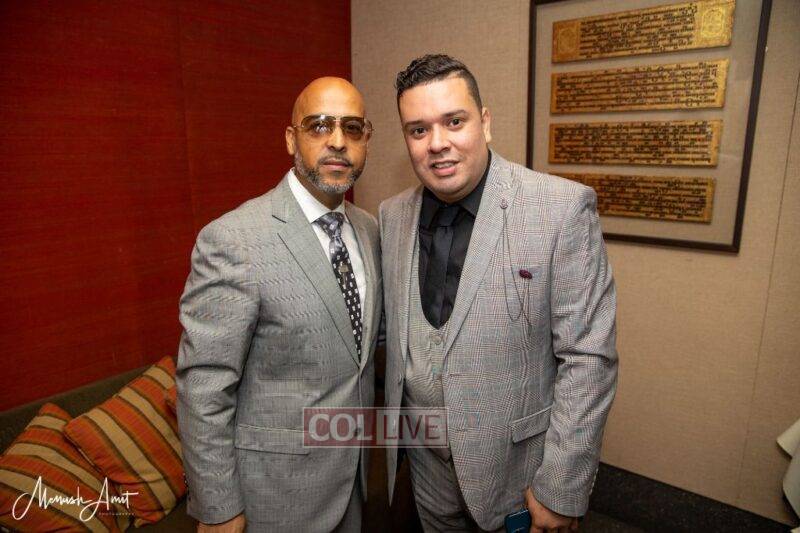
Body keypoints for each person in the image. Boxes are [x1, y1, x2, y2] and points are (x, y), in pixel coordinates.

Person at [379, 54, 618, 532]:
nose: (437, 143)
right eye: (418, 130)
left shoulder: (560, 209)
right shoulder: (392, 215)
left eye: (454, 121)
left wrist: (560, 490)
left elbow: (588, 358)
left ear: (485, 123)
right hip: (426, 471)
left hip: (517, 478)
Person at [176, 77, 382, 533]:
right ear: (291, 138)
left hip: (353, 484)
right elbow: (204, 385)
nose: (337, 141)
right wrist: (218, 507)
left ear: (366, 140)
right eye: (319, 126)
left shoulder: (369, 230)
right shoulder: (234, 240)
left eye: (352, 128)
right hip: (273, 498)